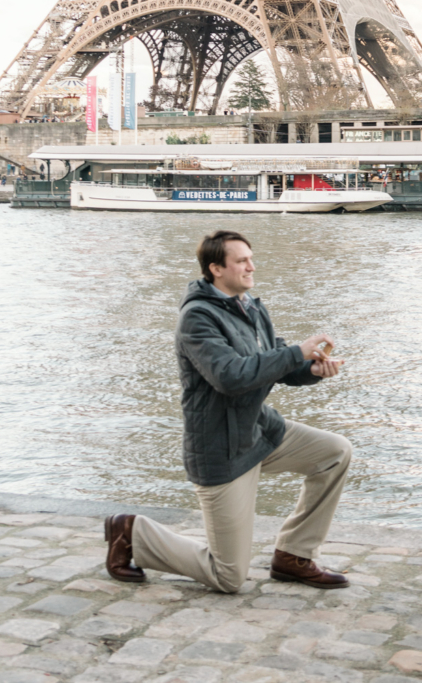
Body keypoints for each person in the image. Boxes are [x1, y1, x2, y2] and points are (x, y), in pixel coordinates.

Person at [103, 230, 352, 594]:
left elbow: (271, 362)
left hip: (259, 431)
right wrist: (298, 351)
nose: (251, 266)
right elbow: (230, 377)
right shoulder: (197, 319)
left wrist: (310, 370)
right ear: (216, 268)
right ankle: (133, 532)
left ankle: (293, 556)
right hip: (220, 447)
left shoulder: (251, 306)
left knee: (335, 452)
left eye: (251, 258)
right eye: (241, 261)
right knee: (228, 577)